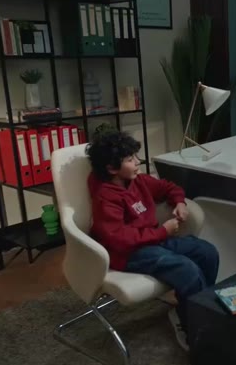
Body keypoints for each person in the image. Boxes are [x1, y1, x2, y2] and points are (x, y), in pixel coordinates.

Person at [86, 130, 219, 351]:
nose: (138, 162)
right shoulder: (105, 197)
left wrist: (180, 202)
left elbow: (169, 187)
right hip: (126, 254)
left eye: (135, 156)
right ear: (112, 168)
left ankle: (199, 314)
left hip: (151, 241)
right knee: (187, 269)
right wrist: (163, 232)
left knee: (207, 252)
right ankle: (195, 331)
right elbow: (119, 239)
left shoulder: (137, 181)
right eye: (130, 159)